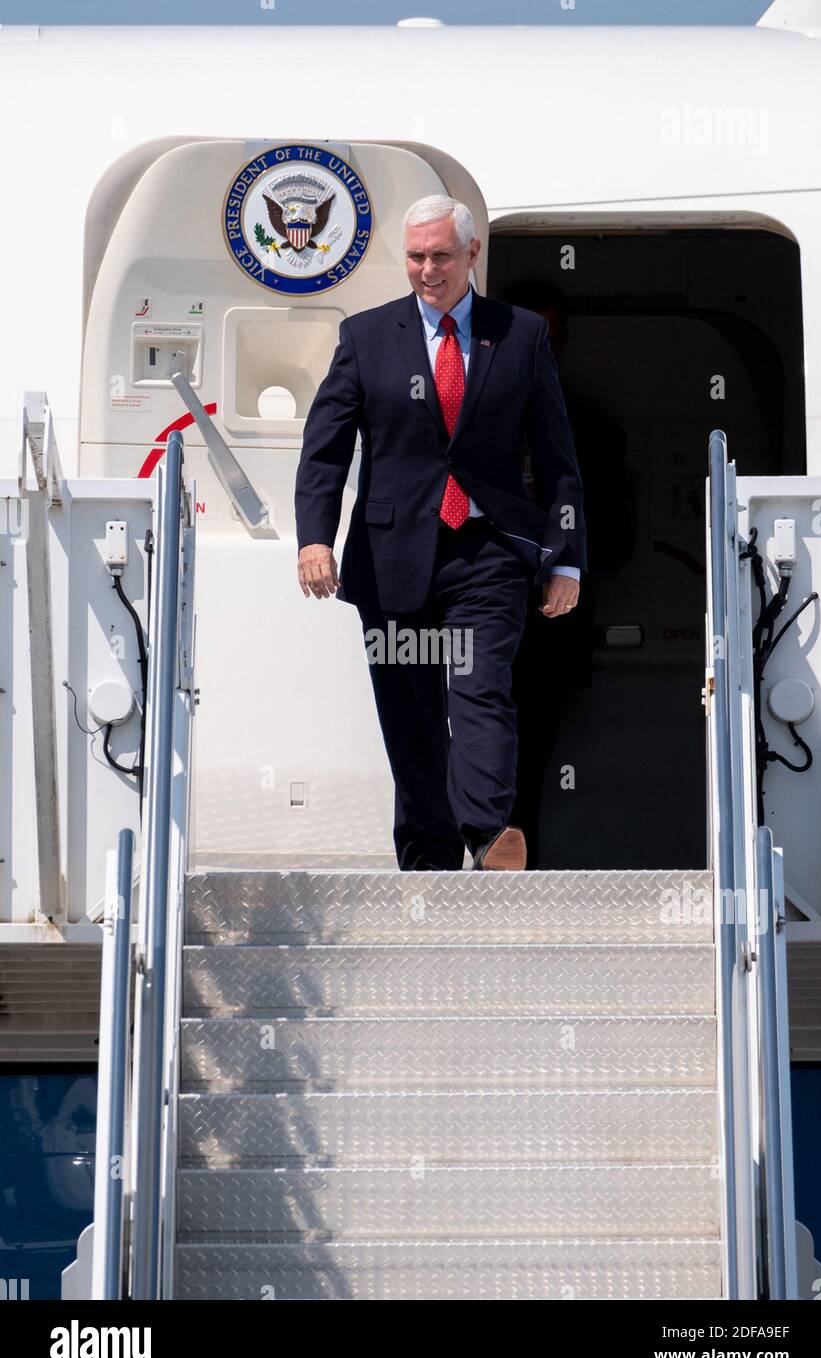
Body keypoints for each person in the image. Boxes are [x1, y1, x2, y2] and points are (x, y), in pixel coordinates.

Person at [294, 194, 587, 871]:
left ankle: (487, 834)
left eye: (441, 256)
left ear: (472, 254)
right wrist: (315, 539)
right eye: (416, 257)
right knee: (412, 715)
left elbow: (555, 458)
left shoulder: (517, 334)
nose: (428, 270)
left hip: (488, 554)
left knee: (480, 685)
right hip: (391, 556)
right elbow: (326, 449)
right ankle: (427, 857)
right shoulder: (366, 337)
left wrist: (564, 560)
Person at [503, 280, 633, 866]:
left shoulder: (595, 427)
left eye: (550, 338)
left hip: (551, 620)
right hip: (466, 610)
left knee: (530, 760)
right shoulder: (464, 412)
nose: (542, 350)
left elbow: (615, 541)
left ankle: (514, 885)